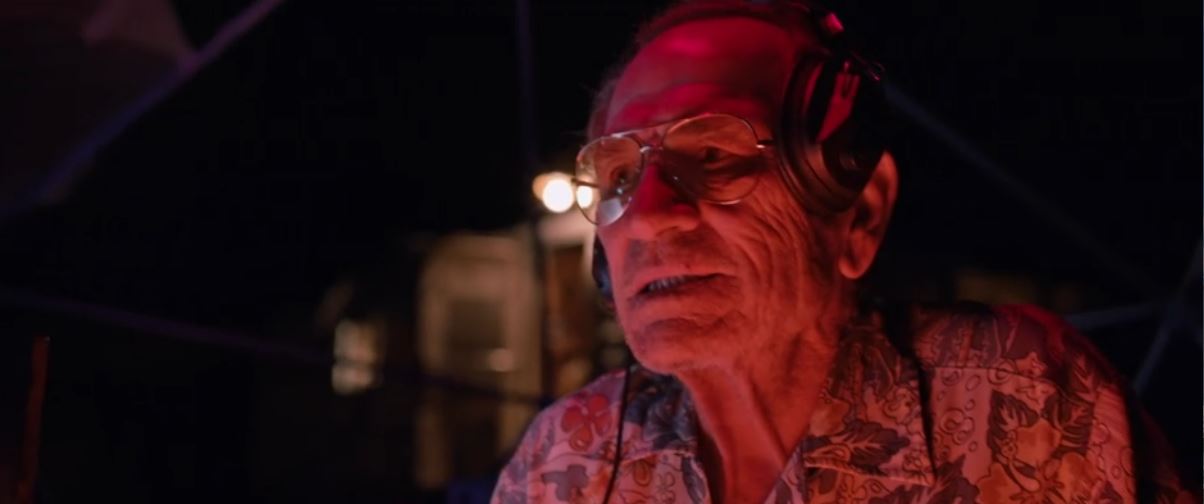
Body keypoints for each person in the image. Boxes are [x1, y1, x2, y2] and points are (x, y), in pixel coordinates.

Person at [491, 1, 1196, 502]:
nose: (645, 218)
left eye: (713, 154)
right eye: (618, 176)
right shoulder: (567, 460)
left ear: (859, 212)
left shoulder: (1013, 398)